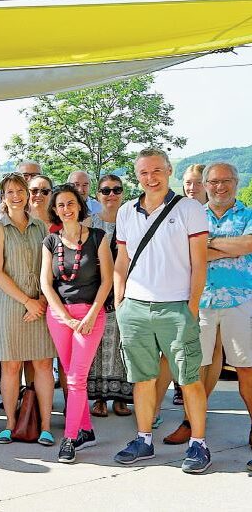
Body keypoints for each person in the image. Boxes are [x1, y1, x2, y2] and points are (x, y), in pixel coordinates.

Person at [112, 149, 211, 473]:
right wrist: (121, 300)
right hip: (136, 308)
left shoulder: (189, 209)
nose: (150, 177)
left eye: (157, 170)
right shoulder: (127, 211)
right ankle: (144, 440)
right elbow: (122, 260)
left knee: (189, 379)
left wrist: (192, 307)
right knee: (142, 379)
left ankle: (198, 444)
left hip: (176, 306)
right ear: (136, 175)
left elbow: (199, 262)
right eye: (143, 172)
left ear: (169, 171)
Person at [40, 185, 113, 463]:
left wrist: (92, 313)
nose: (66, 209)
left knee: (76, 378)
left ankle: (69, 438)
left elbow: (106, 280)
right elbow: (46, 284)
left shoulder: (98, 238)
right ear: (55, 210)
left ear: (79, 206)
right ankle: (86, 430)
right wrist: (66, 317)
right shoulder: (51, 242)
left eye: (71, 203)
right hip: (60, 316)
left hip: (90, 314)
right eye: (60, 205)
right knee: (70, 376)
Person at [0, 174, 57, 446]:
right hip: (9, 305)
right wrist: (26, 301)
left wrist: (40, 299)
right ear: (3, 197)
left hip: (40, 303)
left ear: (28, 194)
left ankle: (46, 426)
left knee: (42, 363)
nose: (16, 196)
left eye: (20, 191)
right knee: (11, 366)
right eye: (10, 192)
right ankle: (12, 426)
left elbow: (49, 267)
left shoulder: (42, 227)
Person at [198, 162, 252, 459]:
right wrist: (230, 246)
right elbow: (192, 252)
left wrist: (210, 244)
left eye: (226, 181)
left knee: (246, 368)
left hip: (240, 300)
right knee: (198, 368)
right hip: (202, 301)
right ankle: (193, 425)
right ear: (205, 184)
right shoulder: (194, 217)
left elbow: (249, 244)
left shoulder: (249, 215)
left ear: (237, 182)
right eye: (214, 181)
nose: (220, 186)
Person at [86, 174, 133, 418]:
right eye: (106, 191)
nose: (111, 195)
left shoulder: (131, 220)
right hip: (95, 290)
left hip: (127, 288)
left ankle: (122, 396)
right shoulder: (88, 223)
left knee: (123, 343)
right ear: (98, 195)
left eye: (116, 190)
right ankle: (100, 397)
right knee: (98, 344)